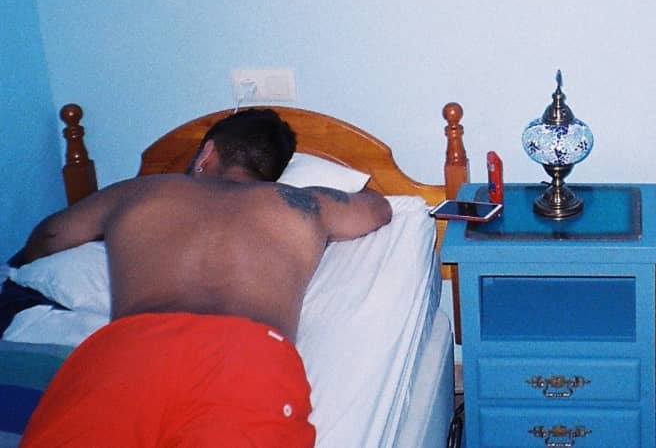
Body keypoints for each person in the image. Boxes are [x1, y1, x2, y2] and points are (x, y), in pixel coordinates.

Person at [13, 108, 393, 447]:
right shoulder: (304, 204)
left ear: (207, 153)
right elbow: (378, 209)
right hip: (247, 359)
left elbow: (47, 238)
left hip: (130, 354)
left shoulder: (136, 192)